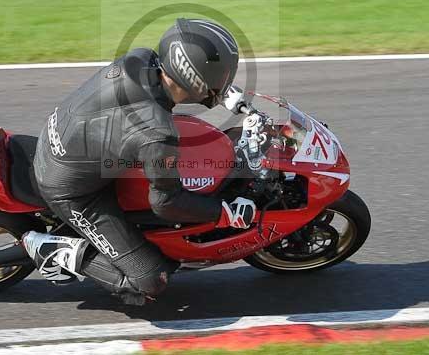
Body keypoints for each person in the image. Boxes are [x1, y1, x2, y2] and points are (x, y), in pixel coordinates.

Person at [21, 18, 256, 305]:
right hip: (72, 191)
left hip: (60, 140)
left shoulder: (140, 59)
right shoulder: (157, 134)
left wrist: (219, 96)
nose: (225, 82)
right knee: (150, 280)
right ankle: (51, 249)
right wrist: (224, 213)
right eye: (223, 77)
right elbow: (167, 203)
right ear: (197, 77)